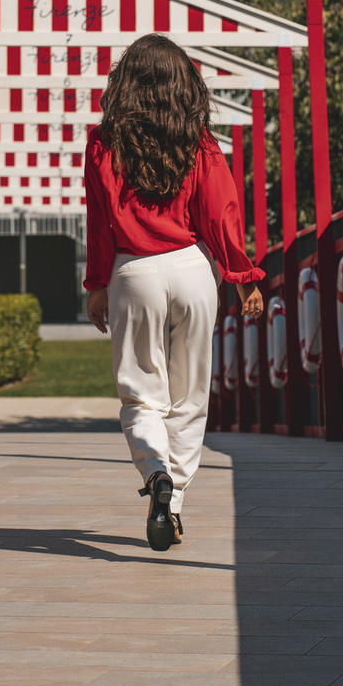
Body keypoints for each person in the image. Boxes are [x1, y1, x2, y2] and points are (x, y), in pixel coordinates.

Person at [83, 34, 264, 552]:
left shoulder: (102, 144)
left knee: (141, 395)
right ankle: (174, 500)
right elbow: (221, 215)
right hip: (191, 270)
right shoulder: (201, 144)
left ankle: (155, 472)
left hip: (132, 270)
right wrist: (242, 275)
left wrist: (97, 285)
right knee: (189, 399)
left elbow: (100, 224)